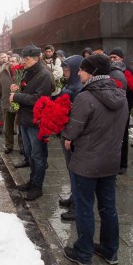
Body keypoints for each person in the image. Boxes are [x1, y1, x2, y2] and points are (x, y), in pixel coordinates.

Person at [61, 54, 128, 265]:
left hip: (86, 163)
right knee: (108, 207)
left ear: (91, 72)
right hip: (110, 161)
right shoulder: (120, 94)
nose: (78, 73)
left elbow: (72, 130)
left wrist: (66, 133)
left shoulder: (85, 97)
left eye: (82, 69)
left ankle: (83, 253)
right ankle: (110, 250)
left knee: (84, 207)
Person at [10, 45, 53, 200]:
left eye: (26, 59)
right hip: (26, 119)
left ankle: (37, 187)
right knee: (30, 154)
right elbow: (26, 91)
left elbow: (38, 99)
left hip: (37, 122)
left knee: (38, 155)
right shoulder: (29, 72)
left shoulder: (44, 75)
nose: (23, 61)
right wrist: (17, 89)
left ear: (35, 58)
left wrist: (17, 97)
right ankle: (32, 181)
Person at [57, 55, 84, 221]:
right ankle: (73, 198)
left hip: (72, 135)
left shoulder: (79, 88)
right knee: (70, 169)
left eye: (67, 69)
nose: (65, 72)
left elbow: (78, 116)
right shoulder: (70, 84)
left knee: (75, 171)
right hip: (66, 131)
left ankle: (77, 206)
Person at [108, 48, 131, 175]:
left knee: (122, 137)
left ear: (122, 58)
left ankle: (123, 164)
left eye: (115, 57)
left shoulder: (126, 72)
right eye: (110, 57)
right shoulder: (110, 71)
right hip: (116, 106)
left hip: (124, 107)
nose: (112, 60)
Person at [0, 54, 19, 153]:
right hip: (6, 102)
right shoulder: (3, 73)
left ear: (18, 62)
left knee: (20, 128)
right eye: (10, 61)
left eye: (14, 61)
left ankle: (22, 147)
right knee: (7, 127)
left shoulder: (22, 72)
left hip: (19, 103)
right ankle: (9, 146)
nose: (11, 63)